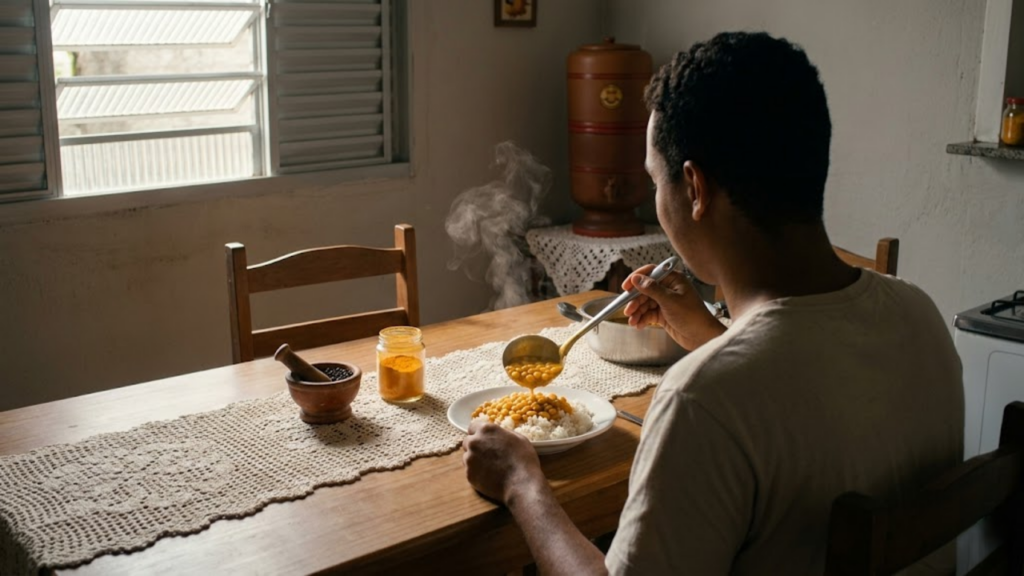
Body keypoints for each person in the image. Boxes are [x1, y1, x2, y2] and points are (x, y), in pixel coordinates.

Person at [462, 31, 963, 575]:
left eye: (656, 180)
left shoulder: (702, 399)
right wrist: (715, 339)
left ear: (694, 189)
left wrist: (522, 485)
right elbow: (803, 391)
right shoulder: (920, 313)